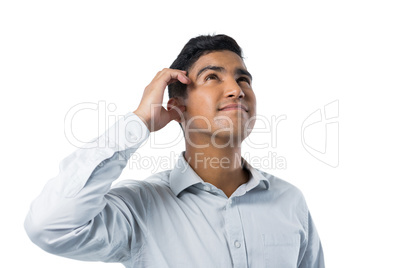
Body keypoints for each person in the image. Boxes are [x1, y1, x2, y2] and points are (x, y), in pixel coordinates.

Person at [25, 34, 325, 267]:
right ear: (178, 106)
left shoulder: (290, 201)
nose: (237, 89)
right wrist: (138, 121)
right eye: (212, 77)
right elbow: (49, 226)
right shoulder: (139, 208)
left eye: (243, 78)